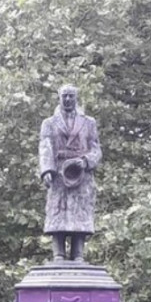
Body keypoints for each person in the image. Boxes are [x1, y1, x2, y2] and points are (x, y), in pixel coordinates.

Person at [38, 84, 102, 262]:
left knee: (79, 214)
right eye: (64, 96)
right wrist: (46, 170)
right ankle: (58, 254)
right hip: (59, 174)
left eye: (70, 96)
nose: (67, 99)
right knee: (58, 213)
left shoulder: (89, 123)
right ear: (59, 97)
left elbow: (96, 149)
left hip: (81, 174)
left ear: (76, 98)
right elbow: (45, 147)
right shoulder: (49, 123)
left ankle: (78, 254)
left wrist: (86, 161)